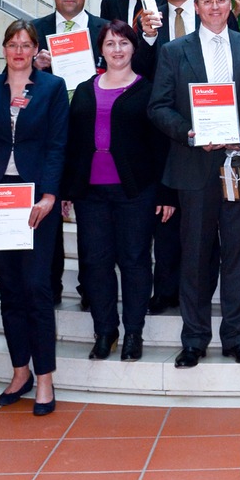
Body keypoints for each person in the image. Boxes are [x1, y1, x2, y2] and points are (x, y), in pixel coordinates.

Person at [148, 0, 240, 367]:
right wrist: (188, 134)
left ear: (230, 5)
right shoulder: (173, 51)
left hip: (239, 166)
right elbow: (159, 107)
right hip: (195, 167)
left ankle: (236, 337)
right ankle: (195, 339)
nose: (216, 6)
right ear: (197, 7)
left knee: (238, 255)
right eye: (208, 1)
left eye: (222, 0)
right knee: (196, 256)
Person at [0, 21, 68, 416]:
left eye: (26, 45)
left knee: (37, 290)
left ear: (35, 49)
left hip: (35, 203)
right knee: (9, 290)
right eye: (13, 45)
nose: (19, 52)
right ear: (3, 49)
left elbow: (59, 145)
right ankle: (20, 370)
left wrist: (49, 196)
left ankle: (45, 378)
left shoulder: (52, 88)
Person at [65, 21, 173, 363]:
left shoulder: (148, 89)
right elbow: (72, 143)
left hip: (135, 191)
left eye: (124, 43)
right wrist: (68, 189)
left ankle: (133, 332)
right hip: (90, 193)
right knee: (96, 263)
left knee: (135, 261)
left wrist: (166, 194)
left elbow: (161, 147)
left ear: (134, 49)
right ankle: (105, 331)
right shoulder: (83, 89)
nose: (117, 49)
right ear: (101, 49)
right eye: (110, 43)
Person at [31, 0, 106, 309]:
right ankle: (50, 285)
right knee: (49, 213)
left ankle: (92, 287)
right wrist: (35, 67)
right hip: (51, 136)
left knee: (93, 217)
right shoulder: (37, 30)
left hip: (95, 137)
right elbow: (13, 83)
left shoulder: (104, 30)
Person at [134, 0, 194, 314]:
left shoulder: (212, 7)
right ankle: (166, 288)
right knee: (165, 212)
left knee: (199, 214)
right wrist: (148, 37)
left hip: (206, 122)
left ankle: (196, 286)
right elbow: (139, 70)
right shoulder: (147, 16)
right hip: (163, 127)